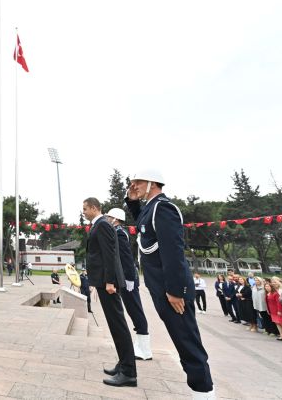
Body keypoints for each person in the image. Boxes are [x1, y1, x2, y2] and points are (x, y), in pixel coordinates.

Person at [125, 170, 214, 398]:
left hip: (172, 292)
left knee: (187, 340)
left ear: (152, 183)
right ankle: (200, 391)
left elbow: (173, 251)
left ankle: (204, 392)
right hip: (161, 289)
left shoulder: (163, 208)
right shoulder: (150, 209)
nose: (133, 185)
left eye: (138, 181)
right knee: (181, 338)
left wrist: (175, 291)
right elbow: (143, 225)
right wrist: (131, 201)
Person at [83, 197, 136, 388]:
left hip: (108, 283)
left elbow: (109, 253)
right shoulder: (100, 225)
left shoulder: (103, 225)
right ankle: (123, 364)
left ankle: (129, 372)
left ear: (95, 208)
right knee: (115, 325)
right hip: (104, 281)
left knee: (118, 324)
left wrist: (110, 281)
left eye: (85, 208)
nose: (83, 212)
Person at [105, 207, 152, 361]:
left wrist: (130, 279)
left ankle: (145, 349)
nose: (107, 219)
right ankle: (140, 345)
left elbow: (126, 257)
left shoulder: (119, 233)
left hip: (128, 279)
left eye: (109, 217)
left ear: (115, 219)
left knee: (135, 309)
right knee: (132, 310)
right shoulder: (118, 232)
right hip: (125, 278)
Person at [267, 278, 282, 342]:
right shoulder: (270, 292)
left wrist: (279, 311)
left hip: (278, 310)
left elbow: (279, 302)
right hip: (272, 310)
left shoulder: (276, 293)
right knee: (277, 323)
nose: (273, 284)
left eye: (275, 282)